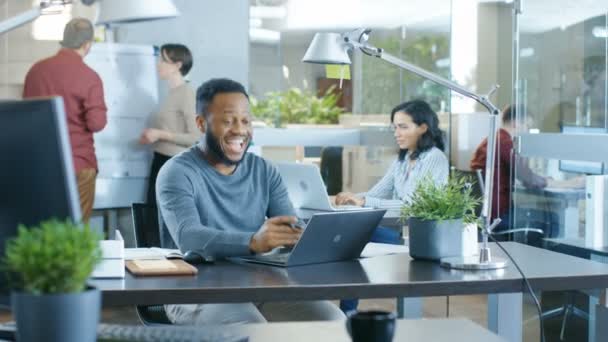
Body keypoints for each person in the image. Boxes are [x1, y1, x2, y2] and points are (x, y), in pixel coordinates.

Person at [156, 78, 344, 325]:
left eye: (246, 121)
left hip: (257, 284)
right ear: (201, 124)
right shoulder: (177, 172)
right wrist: (253, 242)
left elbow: (289, 229)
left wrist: (312, 238)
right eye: (228, 120)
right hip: (194, 288)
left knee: (334, 321)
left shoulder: (264, 170)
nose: (240, 130)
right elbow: (189, 237)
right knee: (251, 328)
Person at [334, 99, 449, 313]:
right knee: (350, 234)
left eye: (403, 127)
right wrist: (350, 198)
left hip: (421, 239)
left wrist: (364, 202)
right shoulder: (403, 159)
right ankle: (346, 311)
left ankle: (346, 311)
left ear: (423, 127)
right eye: (395, 127)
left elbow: (413, 207)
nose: (397, 133)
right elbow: (377, 193)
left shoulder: (435, 159)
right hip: (401, 233)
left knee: (354, 236)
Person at [23, 18, 107, 223]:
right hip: (78, 163)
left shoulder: (36, 70)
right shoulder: (89, 76)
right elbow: (97, 123)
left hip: (41, 163)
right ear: (87, 44)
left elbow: (25, 113)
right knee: (74, 231)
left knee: (43, 226)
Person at [470, 105, 549, 233]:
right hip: (498, 215)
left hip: (486, 212)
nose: (528, 131)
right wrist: (564, 183)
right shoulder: (505, 143)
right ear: (516, 123)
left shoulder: (491, 139)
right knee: (552, 220)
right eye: (527, 126)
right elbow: (528, 179)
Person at [139, 44, 198, 206]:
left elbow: (196, 137)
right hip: (160, 160)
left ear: (177, 65)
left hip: (173, 164)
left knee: (163, 220)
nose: (159, 65)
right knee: (154, 218)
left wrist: (160, 134)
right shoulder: (170, 93)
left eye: (164, 60)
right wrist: (153, 136)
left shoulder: (187, 93)